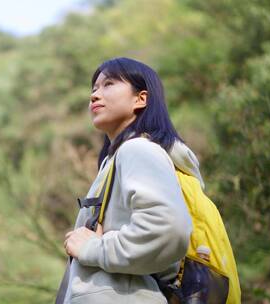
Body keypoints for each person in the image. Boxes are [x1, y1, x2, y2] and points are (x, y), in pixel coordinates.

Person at [59, 57, 205, 303]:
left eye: (109, 84)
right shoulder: (116, 159)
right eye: (94, 89)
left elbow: (167, 229)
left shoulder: (137, 149)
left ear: (141, 99)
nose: (95, 95)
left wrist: (92, 249)